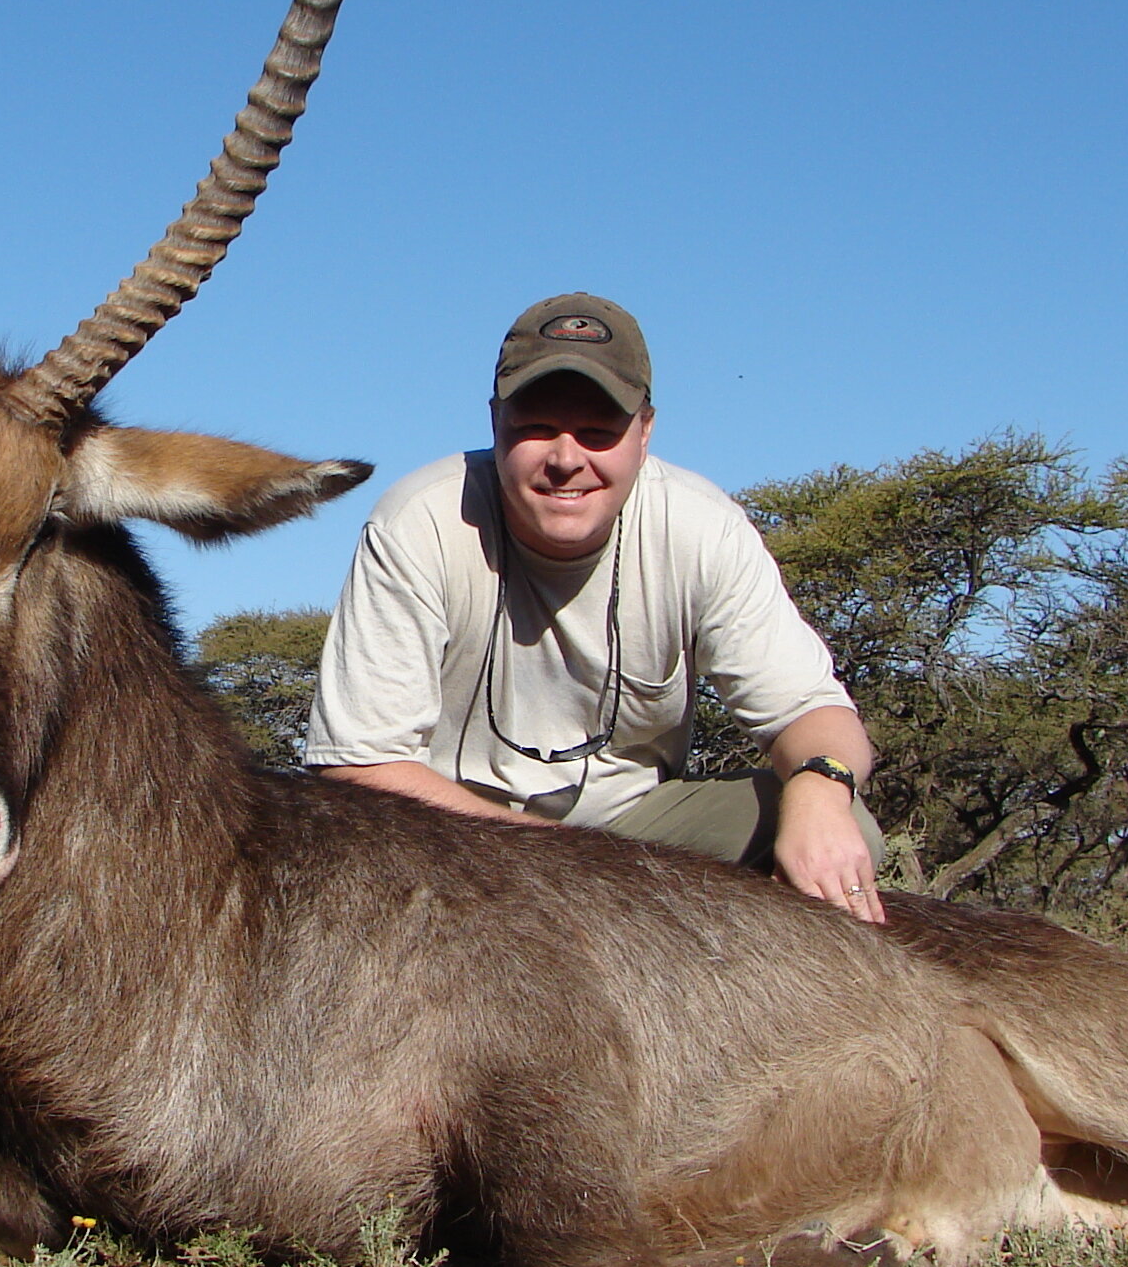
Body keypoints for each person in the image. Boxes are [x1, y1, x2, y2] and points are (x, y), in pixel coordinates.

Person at [304, 292, 889, 922]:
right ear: (494, 422)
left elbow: (816, 713)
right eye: (535, 426)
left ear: (645, 431)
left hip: (636, 839)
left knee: (838, 820)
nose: (565, 458)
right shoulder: (420, 519)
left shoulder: (701, 526)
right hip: (454, 841)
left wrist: (821, 789)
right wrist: (571, 866)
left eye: (598, 429)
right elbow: (362, 765)